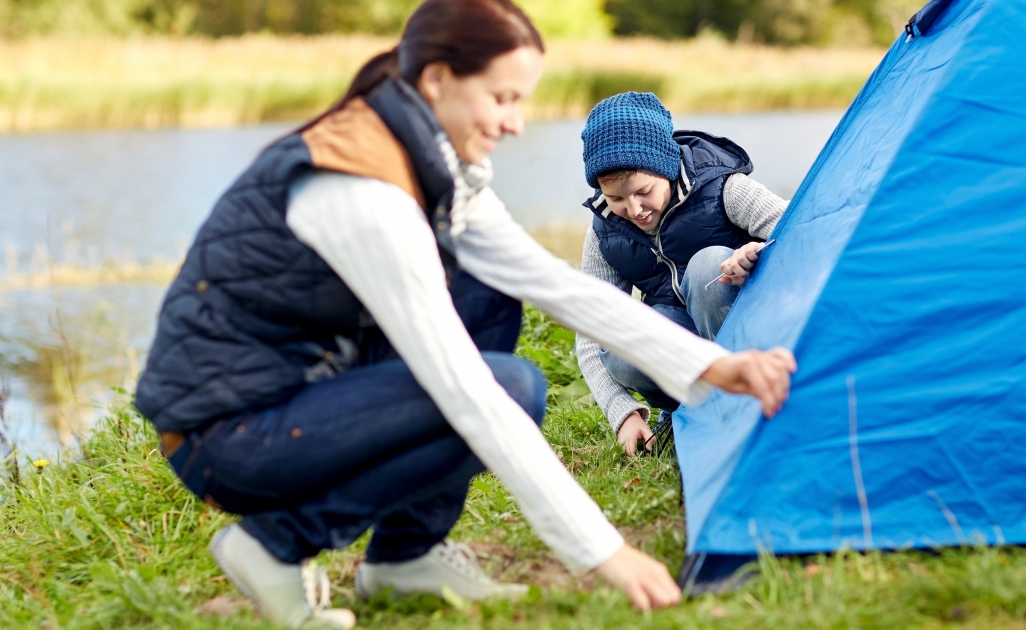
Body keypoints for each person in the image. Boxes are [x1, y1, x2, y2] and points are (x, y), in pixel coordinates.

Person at [135, 1, 797, 627]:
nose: (515, 123)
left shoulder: (429, 159)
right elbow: (463, 389)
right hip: (227, 435)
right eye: (503, 98)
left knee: (487, 292)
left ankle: (405, 558)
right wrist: (604, 552)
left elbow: (554, 285)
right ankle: (276, 542)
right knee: (510, 388)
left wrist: (713, 366)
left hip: (305, 391)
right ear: (438, 80)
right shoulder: (363, 188)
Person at [574, 92, 792, 456]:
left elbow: (804, 234)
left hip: (746, 331)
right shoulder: (604, 233)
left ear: (667, 166)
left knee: (708, 264)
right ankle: (685, 412)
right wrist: (622, 413)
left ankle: (749, 399)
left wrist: (758, 252)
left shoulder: (725, 189)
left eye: (643, 191)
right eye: (616, 199)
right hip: (682, 349)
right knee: (618, 344)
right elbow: (591, 334)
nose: (634, 209)